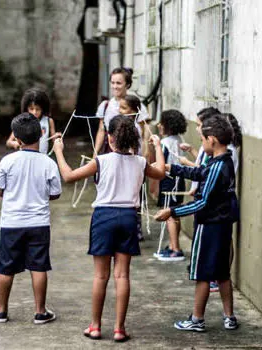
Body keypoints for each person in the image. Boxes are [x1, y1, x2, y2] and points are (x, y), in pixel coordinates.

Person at [54, 115, 165, 342]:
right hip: (128, 217)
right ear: (133, 139)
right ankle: (119, 329)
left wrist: (58, 150)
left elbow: (68, 176)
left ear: (111, 139)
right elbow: (161, 172)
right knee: (122, 275)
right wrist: (158, 147)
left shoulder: (101, 161)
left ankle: (95, 326)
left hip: (103, 217)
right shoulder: (141, 162)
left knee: (100, 276)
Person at [155, 115, 239, 332]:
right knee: (222, 273)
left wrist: (172, 211)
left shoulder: (217, 167)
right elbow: (200, 172)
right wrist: (172, 168)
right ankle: (229, 317)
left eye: (202, 140)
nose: (201, 144)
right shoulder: (224, 161)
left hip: (210, 226)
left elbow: (202, 203)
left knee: (202, 273)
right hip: (223, 226)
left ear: (212, 140)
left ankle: (197, 319)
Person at [0, 113, 62, 324]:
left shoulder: (8, 161)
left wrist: (9, 194)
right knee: (39, 266)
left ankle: (1, 310)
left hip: (11, 222)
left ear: (17, 140)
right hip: (39, 223)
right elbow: (56, 193)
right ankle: (40, 311)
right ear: (42, 133)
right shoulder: (48, 163)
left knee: (6, 267)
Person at [155, 110, 188, 262]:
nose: (158, 125)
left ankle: (175, 248)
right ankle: (173, 245)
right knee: (175, 213)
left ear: (167, 126)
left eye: (162, 123)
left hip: (169, 181)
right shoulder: (178, 139)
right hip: (178, 180)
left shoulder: (164, 143)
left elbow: (160, 163)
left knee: (169, 214)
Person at [94, 67, 149, 155]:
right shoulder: (105, 105)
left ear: (127, 84)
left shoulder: (137, 106)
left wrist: (145, 156)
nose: (115, 86)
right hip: (109, 151)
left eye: (118, 83)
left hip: (131, 153)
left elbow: (143, 135)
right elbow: (101, 131)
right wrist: (95, 153)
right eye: (112, 83)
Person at [6, 88, 59, 154]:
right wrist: (16, 143)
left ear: (43, 108)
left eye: (38, 109)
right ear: (26, 108)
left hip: (43, 158)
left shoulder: (48, 121)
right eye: (31, 109)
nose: (34, 112)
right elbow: (8, 142)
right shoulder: (22, 121)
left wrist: (57, 138)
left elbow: (55, 142)